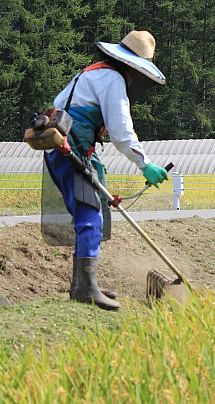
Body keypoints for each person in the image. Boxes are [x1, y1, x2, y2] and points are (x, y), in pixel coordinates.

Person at [44, 31, 169, 311]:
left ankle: (83, 284)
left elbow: (60, 106)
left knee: (86, 213)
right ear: (133, 67)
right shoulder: (113, 79)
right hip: (71, 151)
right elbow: (120, 130)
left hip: (59, 151)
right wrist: (144, 164)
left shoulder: (89, 73)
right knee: (90, 216)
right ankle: (86, 289)